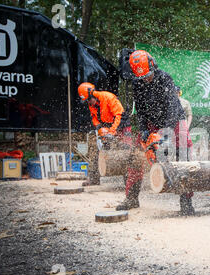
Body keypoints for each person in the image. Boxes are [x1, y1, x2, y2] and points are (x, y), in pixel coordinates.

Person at [116, 49, 195, 215]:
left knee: (184, 153)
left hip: (173, 119)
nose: (146, 79)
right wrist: (144, 129)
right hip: (152, 121)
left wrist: (165, 132)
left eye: (148, 75)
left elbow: (173, 108)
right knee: (135, 156)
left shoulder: (165, 78)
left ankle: (186, 201)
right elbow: (141, 111)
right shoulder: (137, 84)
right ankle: (131, 198)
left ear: (153, 65)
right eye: (142, 77)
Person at [77, 82, 129, 186]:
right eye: (86, 101)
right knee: (97, 151)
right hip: (107, 126)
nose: (89, 103)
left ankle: (129, 180)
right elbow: (94, 117)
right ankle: (94, 177)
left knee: (125, 150)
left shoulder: (108, 98)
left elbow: (119, 116)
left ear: (92, 95)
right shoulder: (92, 104)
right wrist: (99, 127)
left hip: (121, 125)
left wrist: (112, 132)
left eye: (88, 100)